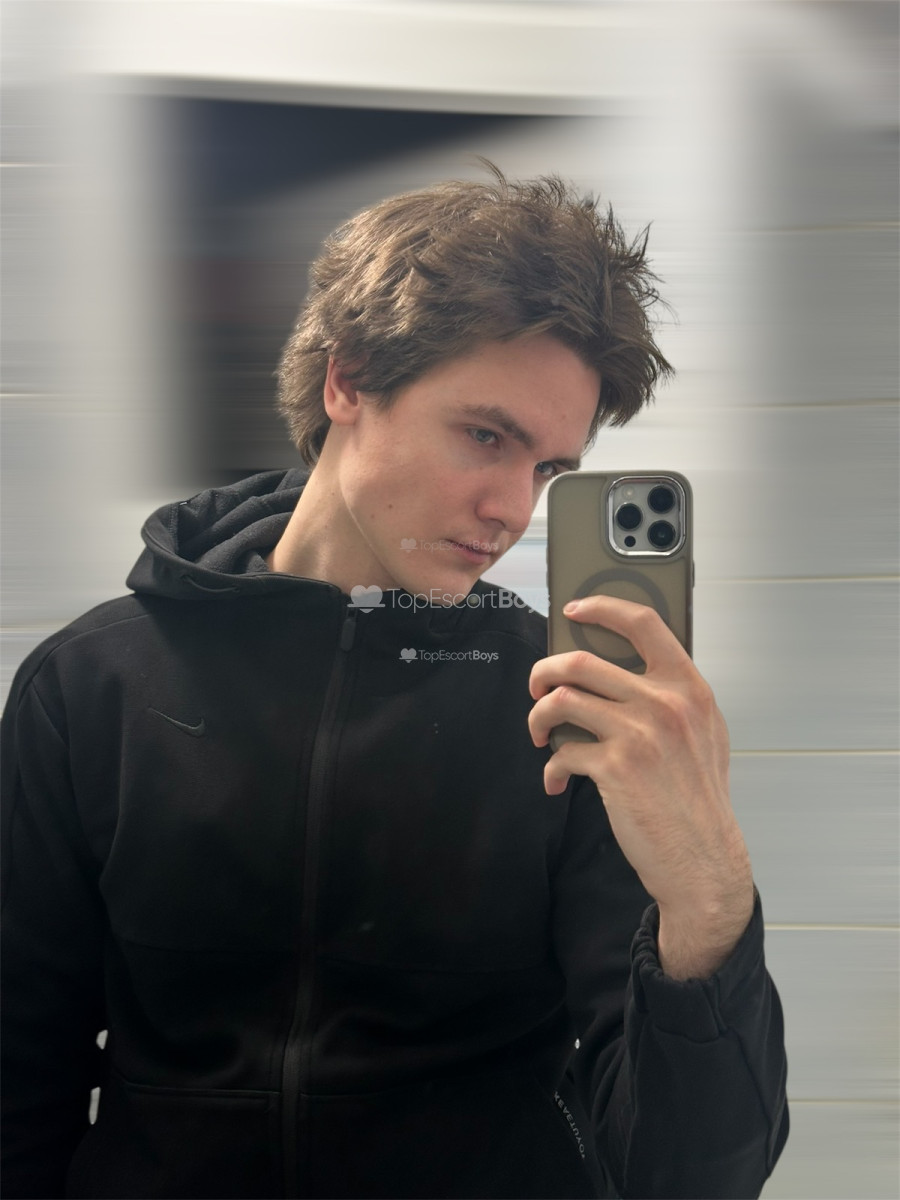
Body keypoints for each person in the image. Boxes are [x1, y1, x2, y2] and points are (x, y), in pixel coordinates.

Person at [1, 167, 788, 1199]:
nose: (512, 508)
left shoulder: (567, 709)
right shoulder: (89, 687)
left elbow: (687, 1176)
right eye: (486, 436)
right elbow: (20, 1078)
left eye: (549, 469)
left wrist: (709, 890)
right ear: (348, 381)